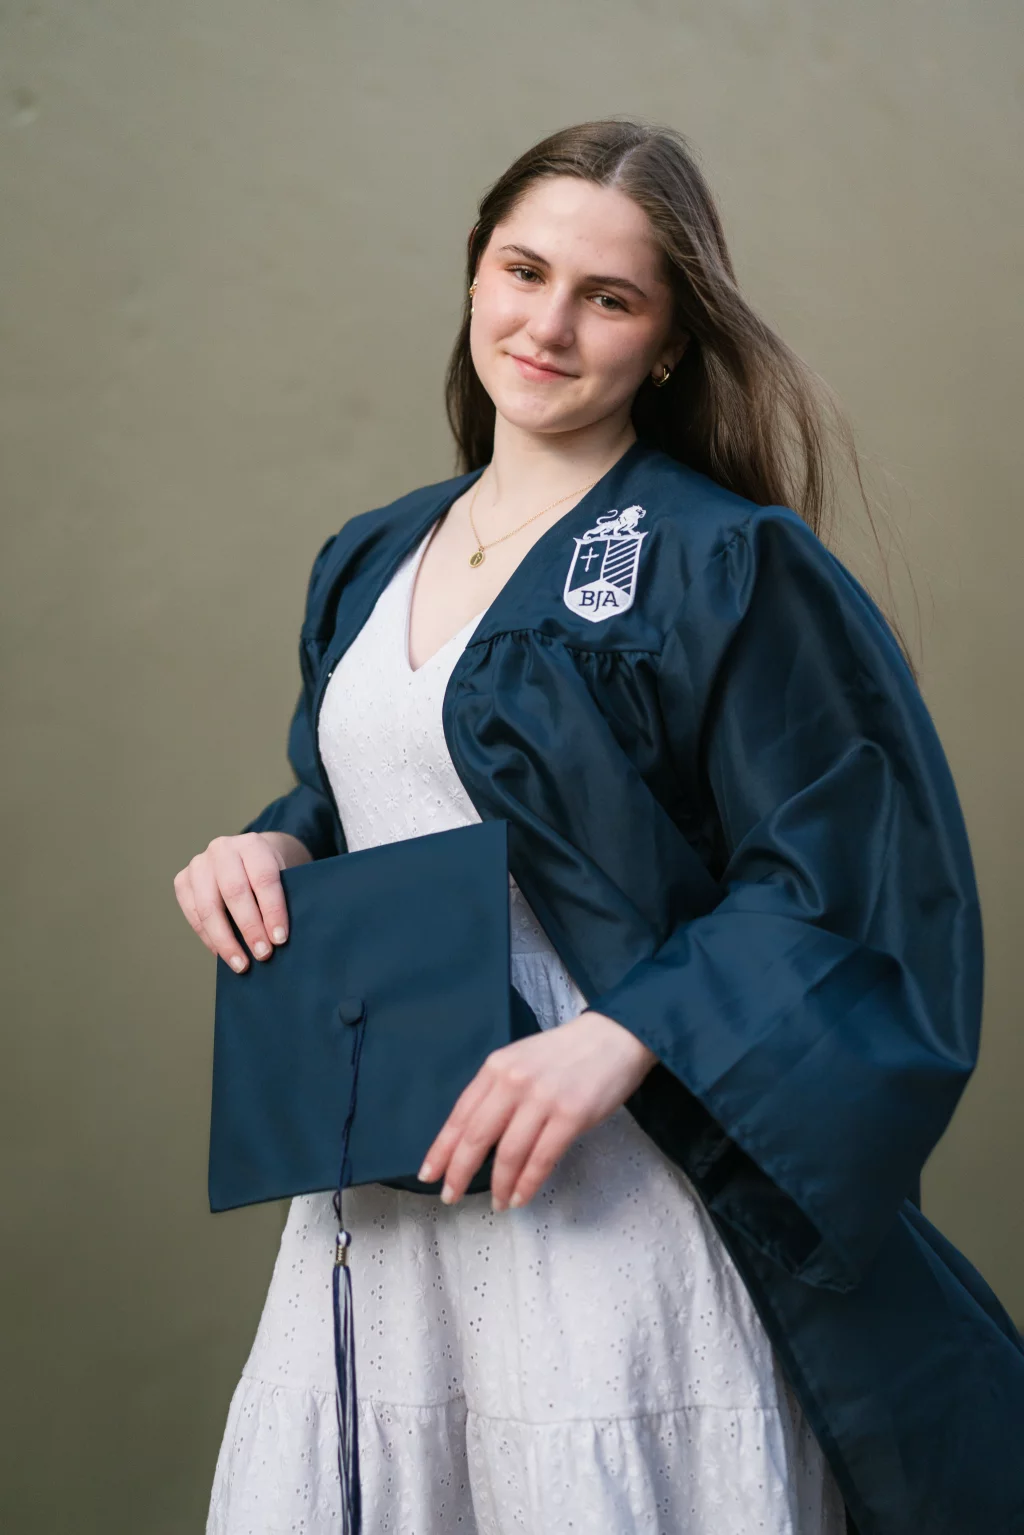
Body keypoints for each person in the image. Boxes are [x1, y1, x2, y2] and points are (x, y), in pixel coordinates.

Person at [178, 120, 1024, 1535]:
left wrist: (618, 1031)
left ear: (672, 342)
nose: (550, 324)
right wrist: (274, 844)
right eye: (524, 271)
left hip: (612, 1191)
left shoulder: (722, 562)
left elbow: (841, 879)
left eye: (610, 297)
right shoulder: (374, 554)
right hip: (388, 1203)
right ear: (474, 276)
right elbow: (387, 796)